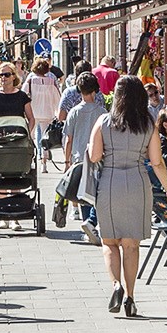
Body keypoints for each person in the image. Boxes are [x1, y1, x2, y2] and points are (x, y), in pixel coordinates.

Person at [89, 76, 167, 319]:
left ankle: (115, 284)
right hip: (138, 183)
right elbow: (157, 162)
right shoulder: (148, 123)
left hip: (110, 182)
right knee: (131, 245)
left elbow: (95, 156)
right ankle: (130, 297)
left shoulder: (104, 121)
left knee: (109, 243)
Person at [57, 72, 107, 239]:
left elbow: (68, 139)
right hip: (98, 157)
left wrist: (66, 160)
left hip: (79, 158)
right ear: (95, 91)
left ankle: (88, 224)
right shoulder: (102, 112)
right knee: (98, 192)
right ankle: (92, 223)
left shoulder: (73, 112)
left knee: (84, 193)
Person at [25, 59, 65, 170]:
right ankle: (44, 163)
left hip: (33, 113)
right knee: (45, 138)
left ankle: (30, 160)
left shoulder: (30, 80)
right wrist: (58, 112)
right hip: (48, 112)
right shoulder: (51, 81)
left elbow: (24, 95)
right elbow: (58, 98)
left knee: (30, 137)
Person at [0, 63, 33, 135]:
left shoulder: (22, 96)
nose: (3, 77)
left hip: (18, 139)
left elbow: (31, 119)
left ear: (14, 76)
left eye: (7, 75)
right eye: (1, 75)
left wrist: (27, 133)